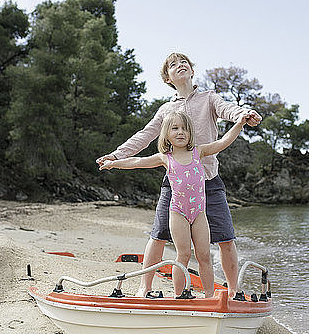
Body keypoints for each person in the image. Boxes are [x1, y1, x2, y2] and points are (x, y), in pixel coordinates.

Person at [96, 52, 262, 297]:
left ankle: (234, 291)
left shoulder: (209, 98)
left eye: (184, 62)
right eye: (173, 65)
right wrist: (116, 156)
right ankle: (145, 287)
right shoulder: (166, 110)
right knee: (159, 235)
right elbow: (144, 136)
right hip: (175, 186)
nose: (180, 65)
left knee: (226, 238)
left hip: (210, 182)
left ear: (192, 71)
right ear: (167, 78)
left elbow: (228, 110)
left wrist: (243, 115)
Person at [100, 111, 250, 298]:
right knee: (183, 255)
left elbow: (223, 142)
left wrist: (239, 124)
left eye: (185, 128)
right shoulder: (165, 157)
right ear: (167, 134)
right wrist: (114, 163)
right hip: (178, 213)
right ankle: (180, 296)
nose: (180, 132)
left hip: (199, 214)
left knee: (204, 256)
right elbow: (138, 161)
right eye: (175, 128)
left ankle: (210, 297)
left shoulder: (199, 151)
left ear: (190, 133)